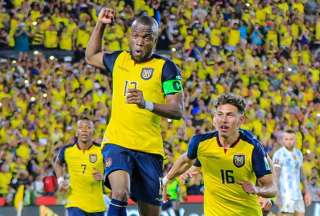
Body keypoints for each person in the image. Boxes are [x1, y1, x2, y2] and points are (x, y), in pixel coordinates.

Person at [85, 7, 184, 216]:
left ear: (155, 40)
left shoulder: (166, 68)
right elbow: (91, 55)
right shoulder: (119, 60)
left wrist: (146, 103)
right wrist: (101, 24)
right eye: (136, 35)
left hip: (150, 150)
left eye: (146, 37)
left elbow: (177, 109)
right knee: (119, 193)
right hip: (117, 143)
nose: (139, 41)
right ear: (130, 37)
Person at [163, 93, 276, 216]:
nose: (224, 120)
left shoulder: (252, 147)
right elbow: (185, 160)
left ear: (241, 120)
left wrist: (258, 190)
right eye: (220, 114)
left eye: (230, 115)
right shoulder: (201, 143)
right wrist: (166, 180)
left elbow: (272, 188)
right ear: (214, 120)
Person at [54, 117, 105, 216]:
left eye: (88, 127)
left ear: (93, 131)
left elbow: (112, 169)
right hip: (75, 203)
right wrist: (60, 180)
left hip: (97, 205)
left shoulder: (102, 151)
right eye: (81, 127)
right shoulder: (67, 151)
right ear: (77, 132)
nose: (84, 130)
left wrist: (104, 176)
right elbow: (57, 163)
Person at [272, 129, 312, 216]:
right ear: (283, 140)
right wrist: (277, 195)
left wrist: (307, 192)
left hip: (297, 194)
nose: (289, 141)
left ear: (295, 140)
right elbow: (275, 176)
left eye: (291, 139)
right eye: (286, 139)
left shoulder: (299, 153)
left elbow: (302, 174)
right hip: (285, 195)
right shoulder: (278, 154)